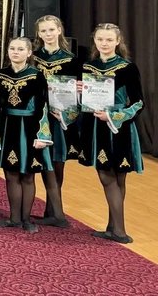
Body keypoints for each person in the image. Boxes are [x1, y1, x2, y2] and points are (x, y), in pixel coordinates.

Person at [79, 23, 143, 244]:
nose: (104, 43)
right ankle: (112, 227)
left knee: (113, 177)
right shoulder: (89, 66)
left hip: (118, 128)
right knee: (111, 178)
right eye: (100, 39)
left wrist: (114, 116)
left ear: (117, 41)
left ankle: (120, 231)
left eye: (108, 40)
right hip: (96, 127)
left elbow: (138, 103)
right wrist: (80, 91)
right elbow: (86, 101)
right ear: (94, 41)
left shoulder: (127, 68)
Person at [0, 37, 52, 234]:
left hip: (29, 129)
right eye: (12, 48)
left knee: (28, 175)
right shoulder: (0, 75)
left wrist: (42, 136)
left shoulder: (37, 75)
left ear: (29, 53)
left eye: (20, 49)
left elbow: (43, 106)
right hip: (7, 128)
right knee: (10, 174)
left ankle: (26, 219)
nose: (15, 52)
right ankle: (14, 218)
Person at [32, 15, 77, 228]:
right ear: (38, 34)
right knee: (41, 162)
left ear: (59, 30)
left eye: (51, 29)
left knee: (57, 163)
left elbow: (77, 95)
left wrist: (68, 114)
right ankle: (52, 212)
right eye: (43, 31)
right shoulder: (32, 58)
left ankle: (54, 211)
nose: (48, 34)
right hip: (36, 117)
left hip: (59, 119)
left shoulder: (72, 60)